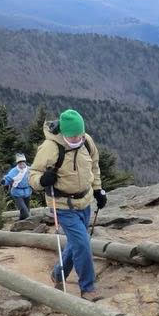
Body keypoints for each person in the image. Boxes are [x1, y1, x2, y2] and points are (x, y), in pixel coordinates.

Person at [31, 109, 108, 302]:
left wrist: (98, 190)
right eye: (72, 136)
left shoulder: (87, 141)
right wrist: (42, 180)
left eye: (79, 135)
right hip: (62, 205)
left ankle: (58, 274)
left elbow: (94, 166)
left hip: (85, 201)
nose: (76, 139)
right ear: (63, 133)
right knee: (83, 244)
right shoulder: (50, 147)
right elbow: (32, 175)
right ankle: (88, 288)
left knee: (77, 243)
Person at [2, 153, 34, 220]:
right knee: (23, 208)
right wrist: (4, 181)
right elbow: (8, 178)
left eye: (22, 161)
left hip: (27, 191)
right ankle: (30, 220)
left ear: (25, 162)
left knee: (26, 208)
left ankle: (21, 221)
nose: (21, 163)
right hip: (17, 192)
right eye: (19, 162)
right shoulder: (14, 171)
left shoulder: (29, 169)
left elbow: (34, 177)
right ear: (17, 163)